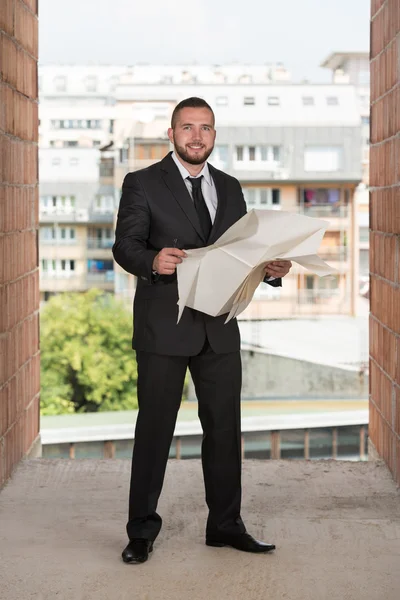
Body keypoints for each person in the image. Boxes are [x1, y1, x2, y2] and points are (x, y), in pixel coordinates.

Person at [112, 97, 292, 564]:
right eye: (188, 127)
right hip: (162, 328)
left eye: (206, 128)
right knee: (154, 430)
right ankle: (141, 532)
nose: (197, 136)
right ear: (171, 135)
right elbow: (124, 245)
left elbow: (243, 253)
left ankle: (225, 525)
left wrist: (271, 270)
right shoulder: (142, 183)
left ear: (215, 135)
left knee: (225, 430)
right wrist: (151, 261)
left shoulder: (231, 188)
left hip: (219, 326)